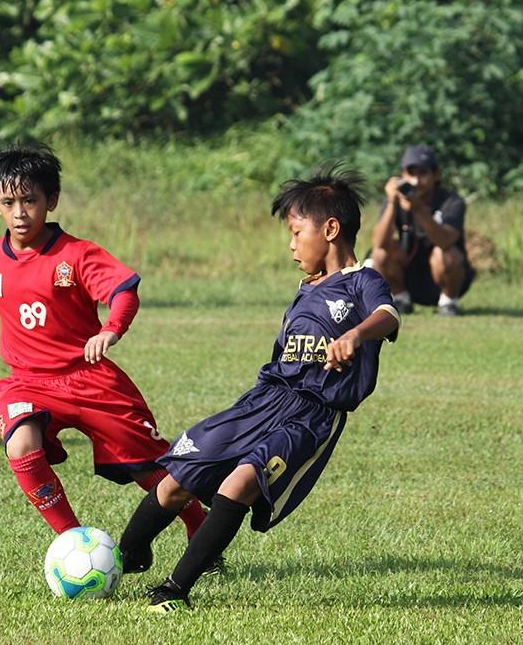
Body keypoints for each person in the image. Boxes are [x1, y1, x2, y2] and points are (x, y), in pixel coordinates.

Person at [117, 164, 401, 612]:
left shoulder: (363, 281)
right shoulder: (307, 287)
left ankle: (174, 590)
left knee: (241, 483)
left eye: (295, 232)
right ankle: (124, 557)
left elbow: (389, 315)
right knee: (176, 480)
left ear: (330, 229)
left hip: (311, 414)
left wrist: (355, 335)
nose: (290, 245)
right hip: (262, 400)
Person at [0, 144, 207, 542]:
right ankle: (73, 541)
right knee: (20, 444)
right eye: (9, 202)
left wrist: (110, 328)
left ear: (51, 201)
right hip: (27, 381)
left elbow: (124, 292)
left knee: (147, 468)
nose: (20, 212)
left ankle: (201, 531)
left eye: (30, 200)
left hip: (90, 379)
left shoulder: (76, 255)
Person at [368, 144, 475, 316]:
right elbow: (378, 243)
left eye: (422, 173)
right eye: (411, 173)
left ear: (436, 174)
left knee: (446, 254)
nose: (416, 180)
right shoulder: (395, 201)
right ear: (402, 175)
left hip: (446, 277)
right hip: (410, 274)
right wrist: (392, 203)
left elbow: (446, 241)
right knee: (379, 253)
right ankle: (402, 298)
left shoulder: (452, 201)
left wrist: (419, 210)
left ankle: (448, 302)